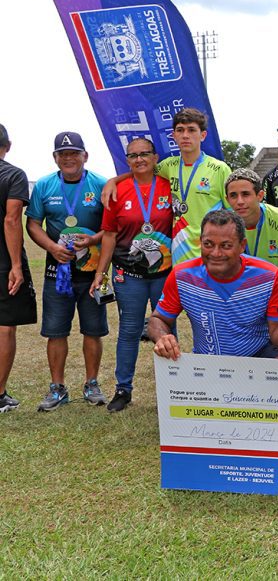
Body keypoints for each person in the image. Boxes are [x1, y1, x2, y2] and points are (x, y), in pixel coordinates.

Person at [148, 210, 278, 360]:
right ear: (200, 242)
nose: (216, 253)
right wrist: (162, 337)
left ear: (242, 245)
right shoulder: (182, 276)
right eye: (208, 244)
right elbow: (158, 319)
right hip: (208, 361)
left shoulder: (270, 277)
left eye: (226, 246)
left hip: (259, 356)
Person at [26, 131, 108, 411]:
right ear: (55, 158)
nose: (69, 158)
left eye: (74, 153)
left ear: (86, 156)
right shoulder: (45, 185)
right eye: (63, 154)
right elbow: (33, 224)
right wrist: (51, 247)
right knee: (55, 331)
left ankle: (92, 383)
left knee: (93, 330)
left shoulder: (101, 184)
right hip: (57, 270)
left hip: (93, 271)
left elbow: (111, 228)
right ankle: (57, 388)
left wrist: (93, 240)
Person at [89, 138, 173, 412]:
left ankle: (175, 389)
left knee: (167, 330)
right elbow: (110, 237)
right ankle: (123, 389)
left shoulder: (169, 185)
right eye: (133, 156)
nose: (139, 160)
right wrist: (100, 273)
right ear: (127, 160)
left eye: (144, 154)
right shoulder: (118, 190)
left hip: (164, 273)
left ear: (155, 156)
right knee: (128, 331)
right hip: (128, 274)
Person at [101, 107, 231, 265]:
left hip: (210, 254)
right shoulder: (168, 166)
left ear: (203, 135)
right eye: (180, 130)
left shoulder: (219, 169)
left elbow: (232, 215)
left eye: (191, 130)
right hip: (178, 255)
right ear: (173, 136)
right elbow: (142, 170)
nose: (185, 135)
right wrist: (113, 181)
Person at [0, 123, 37, 412]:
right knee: (4, 329)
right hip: (3, 262)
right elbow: (12, 220)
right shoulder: (14, 174)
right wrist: (16, 265)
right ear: (8, 146)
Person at [226, 168, 278, 266]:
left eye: (245, 194)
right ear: (227, 200)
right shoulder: (222, 225)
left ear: (260, 196)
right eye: (233, 195)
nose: (240, 201)